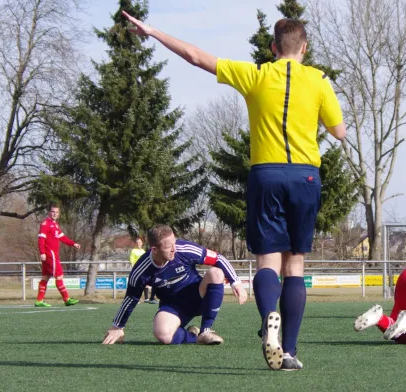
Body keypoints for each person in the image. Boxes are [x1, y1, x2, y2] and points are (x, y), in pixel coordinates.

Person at [121, 11, 346, 371]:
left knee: (268, 262)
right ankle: (288, 350)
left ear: (273, 48)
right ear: (304, 47)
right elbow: (339, 131)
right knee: (295, 265)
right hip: (305, 176)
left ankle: (268, 317)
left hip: (266, 175)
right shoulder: (319, 80)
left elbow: (196, 56)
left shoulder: (255, 74)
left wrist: (153, 31)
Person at [102, 224, 248, 345]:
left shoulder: (183, 249)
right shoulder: (141, 270)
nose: (175, 249)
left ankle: (206, 330)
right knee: (163, 335)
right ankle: (195, 337)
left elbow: (218, 258)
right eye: (168, 247)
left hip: (199, 295)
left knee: (216, 273)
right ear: (155, 249)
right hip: (174, 306)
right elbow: (131, 298)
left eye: (174, 243)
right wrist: (118, 326)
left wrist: (237, 283)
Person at [35, 205, 81, 307]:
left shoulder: (54, 224)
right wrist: (42, 252)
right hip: (49, 254)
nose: (54, 213)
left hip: (52, 254)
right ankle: (66, 299)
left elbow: (62, 237)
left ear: (58, 214)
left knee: (45, 277)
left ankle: (39, 300)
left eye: (56, 212)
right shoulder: (45, 224)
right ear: (49, 212)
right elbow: (41, 239)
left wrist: (73, 243)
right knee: (59, 276)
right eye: (53, 212)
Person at [129, 237, 157, 304]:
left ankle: (147, 298)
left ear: (142, 243)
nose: (139, 244)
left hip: (144, 270)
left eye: (140, 242)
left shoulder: (143, 251)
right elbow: (132, 261)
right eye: (137, 242)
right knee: (137, 284)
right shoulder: (133, 251)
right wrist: (133, 269)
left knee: (146, 283)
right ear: (136, 243)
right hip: (137, 269)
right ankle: (136, 299)